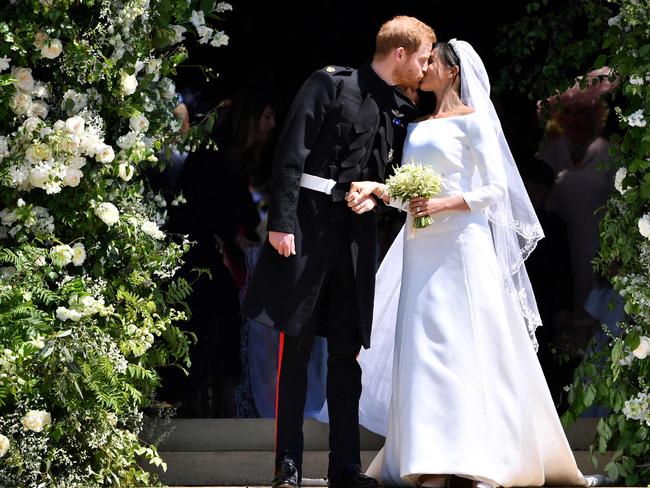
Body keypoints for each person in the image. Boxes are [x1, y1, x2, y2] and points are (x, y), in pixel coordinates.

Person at [344, 40, 589, 487]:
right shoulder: (417, 126)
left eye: (432, 62)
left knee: (469, 345)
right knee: (426, 348)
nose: (424, 69)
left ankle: (481, 456)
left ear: (452, 72)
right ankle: (430, 459)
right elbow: (409, 193)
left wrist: (442, 204)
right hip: (422, 246)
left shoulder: (474, 123)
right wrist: (382, 190)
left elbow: (493, 190)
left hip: (462, 244)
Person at [240, 15, 436, 488]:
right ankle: (287, 464)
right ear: (400, 54)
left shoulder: (401, 109)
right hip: (307, 231)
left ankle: (344, 467)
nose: (426, 68)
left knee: (347, 355)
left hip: (356, 240)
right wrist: (281, 224)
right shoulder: (330, 84)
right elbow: (292, 151)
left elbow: (393, 175)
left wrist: (376, 194)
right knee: (298, 346)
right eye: (424, 57)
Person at [536, 69, 618, 345]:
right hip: (559, 242)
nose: (576, 119)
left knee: (595, 311)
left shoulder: (607, 151)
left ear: (595, 116)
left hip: (597, 242)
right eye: (570, 112)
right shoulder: (551, 150)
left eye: (582, 112)